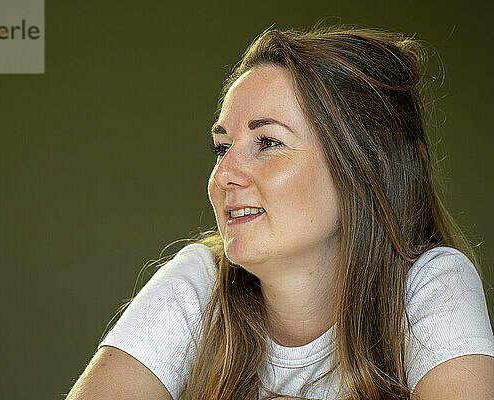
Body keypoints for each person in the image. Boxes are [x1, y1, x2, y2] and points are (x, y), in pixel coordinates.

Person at [66, 26, 494, 399]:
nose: (223, 175)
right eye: (222, 147)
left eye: (267, 142)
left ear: (364, 168)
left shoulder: (431, 284)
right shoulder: (199, 282)